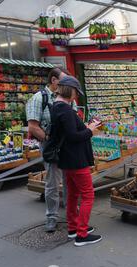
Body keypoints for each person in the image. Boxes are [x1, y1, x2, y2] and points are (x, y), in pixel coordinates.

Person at [51, 76, 102, 246]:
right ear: (69, 90)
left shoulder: (56, 107)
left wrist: (85, 126)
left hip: (67, 159)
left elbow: (68, 133)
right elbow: (74, 136)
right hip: (76, 159)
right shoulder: (65, 110)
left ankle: (73, 228)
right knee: (88, 195)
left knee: (73, 194)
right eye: (75, 92)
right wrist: (89, 129)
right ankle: (82, 234)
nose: (75, 96)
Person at [26, 68, 77, 232]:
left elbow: (73, 122)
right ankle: (52, 218)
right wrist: (51, 140)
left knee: (70, 182)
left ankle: (71, 215)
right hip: (51, 147)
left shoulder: (69, 97)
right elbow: (33, 127)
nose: (66, 84)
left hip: (67, 147)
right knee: (52, 184)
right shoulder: (39, 98)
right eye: (63, 80)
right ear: (54, 80)